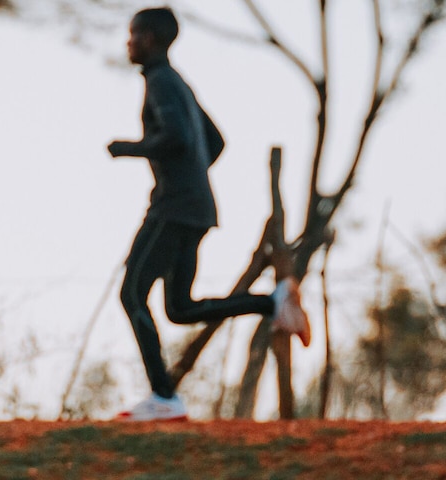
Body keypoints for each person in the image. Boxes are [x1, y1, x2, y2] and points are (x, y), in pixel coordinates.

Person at [106, 7, 308, 422]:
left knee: (131, 294)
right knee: (179, 308)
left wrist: (129, 149)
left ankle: (164, 398)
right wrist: (189, 176)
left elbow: (179, 138)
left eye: (132, 35)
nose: (127, 43)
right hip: (196, 207)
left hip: (175, 207)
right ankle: (272, 303)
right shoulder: (178, 83)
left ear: (149, 38)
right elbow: (215, 141)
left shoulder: (161, 80)